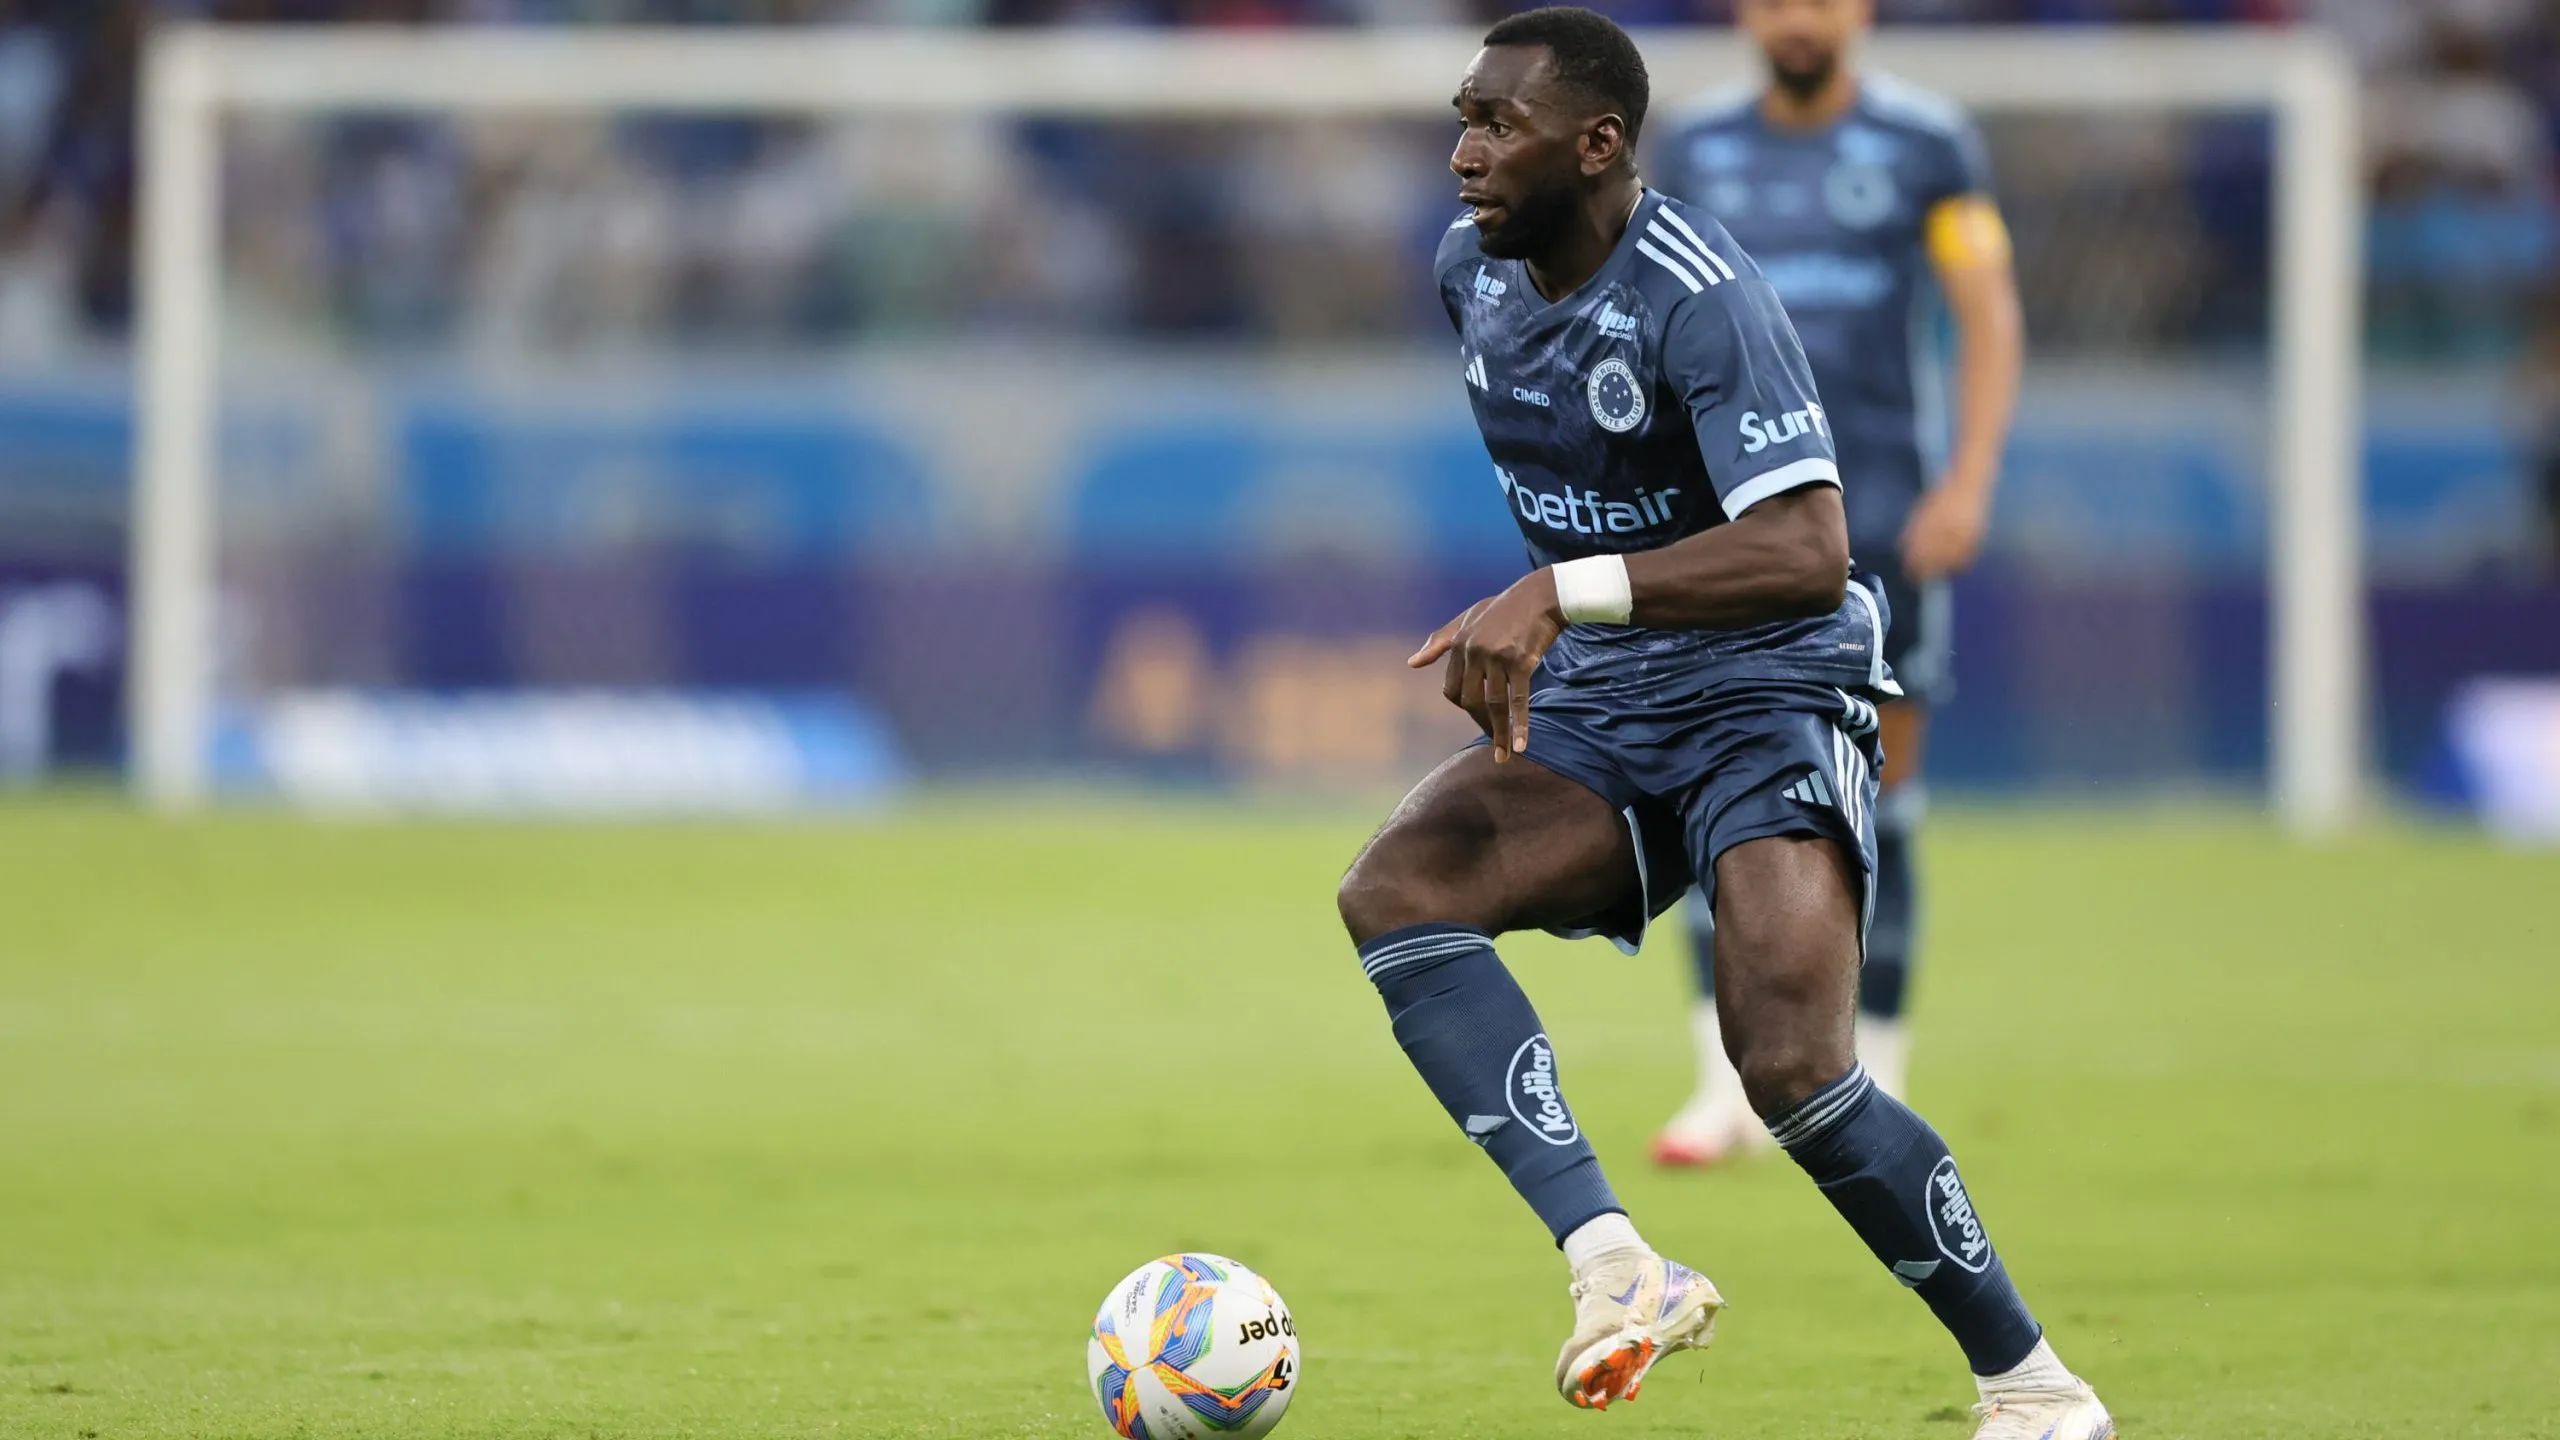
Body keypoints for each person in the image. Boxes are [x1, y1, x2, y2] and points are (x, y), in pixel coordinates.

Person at [1335, 10, 2108, 1435]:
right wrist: (1569, 616)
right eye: (1462, 120)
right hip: (1611, 698)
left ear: (1597, 145)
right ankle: (1615, 1264)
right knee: (1398, 890)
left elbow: (1811, 550)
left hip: (1768, 695)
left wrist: (1558, 590)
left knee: (1793, 1070)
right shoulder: (1471, 272)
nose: (1463, 155)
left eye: (1497, 125)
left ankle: (2034, 1386)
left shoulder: (1701, 295)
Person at [1649, 0, 2025, 1166]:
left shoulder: (1927, 144)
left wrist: (1966, 482)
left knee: (1884, 803)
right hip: (1731, 529)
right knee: (1704, 794)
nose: (1796, 17)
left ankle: (1880, 1078)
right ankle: (1722, 1087)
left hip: (1883, 522)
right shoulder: (1695, 147)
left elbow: (1985, 313)